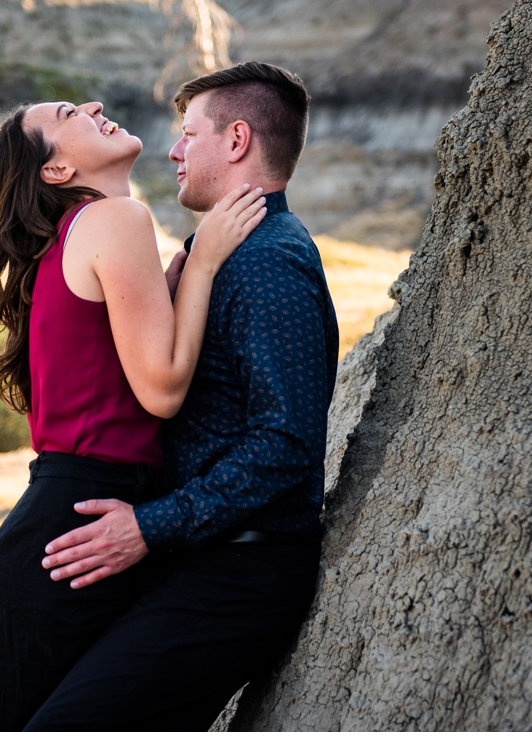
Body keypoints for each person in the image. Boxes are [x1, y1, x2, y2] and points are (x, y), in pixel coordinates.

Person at [25, 62, 340, 729]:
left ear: (236, 141)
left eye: (188, 133)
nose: (172, 149)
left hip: (241, 575)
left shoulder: (268, 262)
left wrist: (149, 526)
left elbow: (286, 444)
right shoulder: (216, 256)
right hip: (193, 560)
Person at [0, 94, 267, 730]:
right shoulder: (115, 219)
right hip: (80, 533)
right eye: (67, 114)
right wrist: (205, 259)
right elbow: (160, 390)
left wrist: (177, 273)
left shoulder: (72, 238)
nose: (94, 105)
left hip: (60, 526)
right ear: (55, 171)